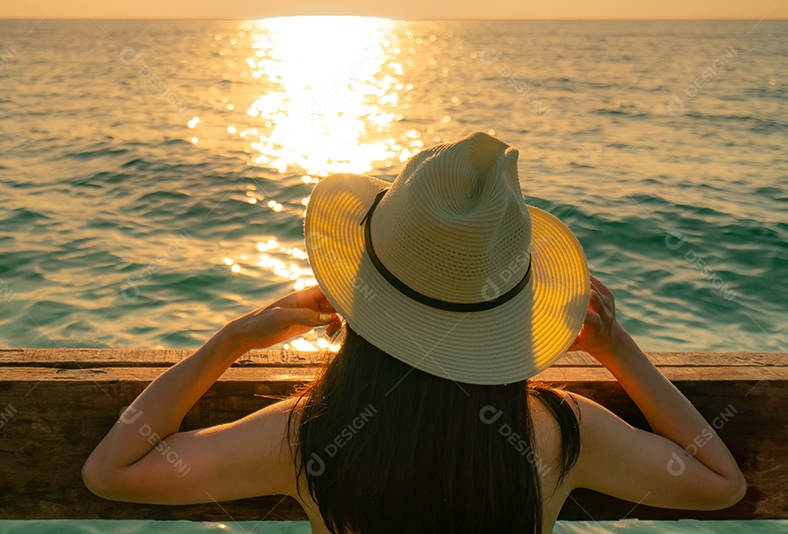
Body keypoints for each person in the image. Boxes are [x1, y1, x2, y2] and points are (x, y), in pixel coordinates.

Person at [83, 131, 747, 533]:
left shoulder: (306, 437)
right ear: (509, 314)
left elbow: (114, 471)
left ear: (363, 298)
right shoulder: (561, 433)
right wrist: (616, 350)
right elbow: (721, 483)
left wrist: (229, 342)